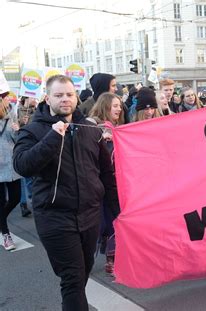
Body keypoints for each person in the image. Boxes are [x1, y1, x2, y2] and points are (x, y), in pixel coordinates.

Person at [13, 75, 120, 309]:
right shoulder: (32, 130)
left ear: (76, 96)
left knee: (81, 275)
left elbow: (105, 173)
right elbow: (22, 165)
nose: (65, 100)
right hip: (55, 217)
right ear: (47, 97)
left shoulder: (90, 129)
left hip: (89, 215)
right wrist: (53, 137)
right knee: (72, 278)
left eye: (69, 95)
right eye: (58, 95)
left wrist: (118, 210)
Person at [88, 92, 124, 276]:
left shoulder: (118, 128)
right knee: (107, 222)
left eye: (120, 105)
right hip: (100, 185)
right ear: (105, 106)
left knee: (114, 221)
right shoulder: (92, 127)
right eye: (115, 105)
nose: (119, 108)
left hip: (118, 184)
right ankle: (108, 258)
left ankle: (113, 257)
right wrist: (102, 140)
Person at [0, 87, 21, 251]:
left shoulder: (12, 113)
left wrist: (17, 131)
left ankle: (1, 220)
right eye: (5, 97)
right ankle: (5, 234)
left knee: (15, 198)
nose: (8, 99)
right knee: (1, 201)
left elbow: (16, 140)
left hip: (11, 163)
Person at [17, 96, 39, 217]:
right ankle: (24, 203)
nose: (35, 100)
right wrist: (21, 123)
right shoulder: (17, 111)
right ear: (26, 98)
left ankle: (31, 199)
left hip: (34, 146)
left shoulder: (36, 111)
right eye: (32, 98)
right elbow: (15, 130)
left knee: (31, 176)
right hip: (22, 147)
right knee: (25, 177)